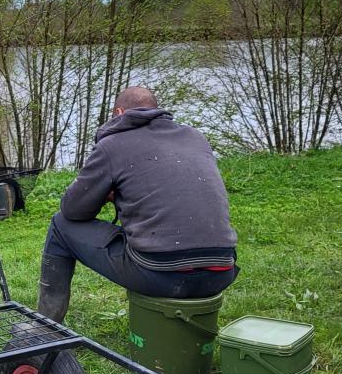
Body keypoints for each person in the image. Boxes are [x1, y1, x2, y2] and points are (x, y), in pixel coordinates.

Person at [38, 86, 238, 323]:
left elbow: (72, 210)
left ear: (119, 112)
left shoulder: (113, 144)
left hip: (160, 275)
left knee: (60, 225)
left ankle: (45, 327)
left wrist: (104, 195)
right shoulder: (195, 137)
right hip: (222, 269)